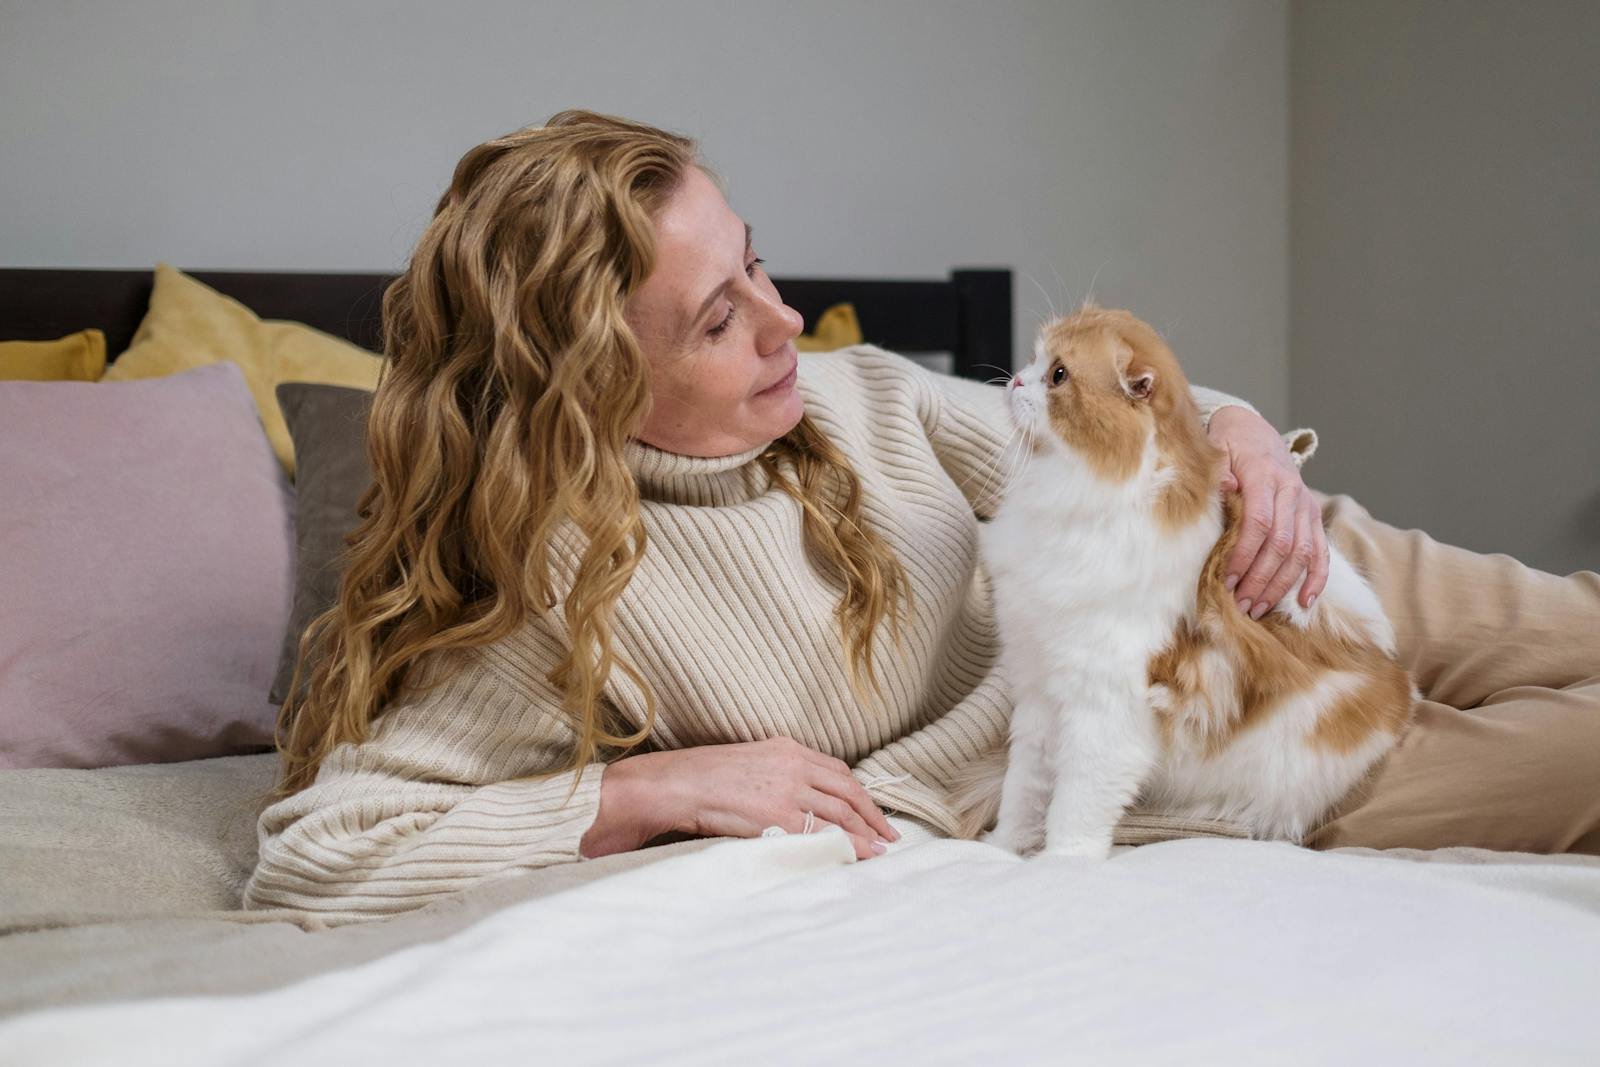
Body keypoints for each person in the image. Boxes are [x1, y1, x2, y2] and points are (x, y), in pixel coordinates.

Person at [243, 112, 1599, 922]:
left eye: (758, 264)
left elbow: (1105, 422)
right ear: (591, 387)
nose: (787, 321)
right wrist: (642, 790)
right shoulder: (559, 586)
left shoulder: (863, 395)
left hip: (1272, 556)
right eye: (718, 320)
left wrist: (1238, 435)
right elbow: (321, 853)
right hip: (1228, 733)